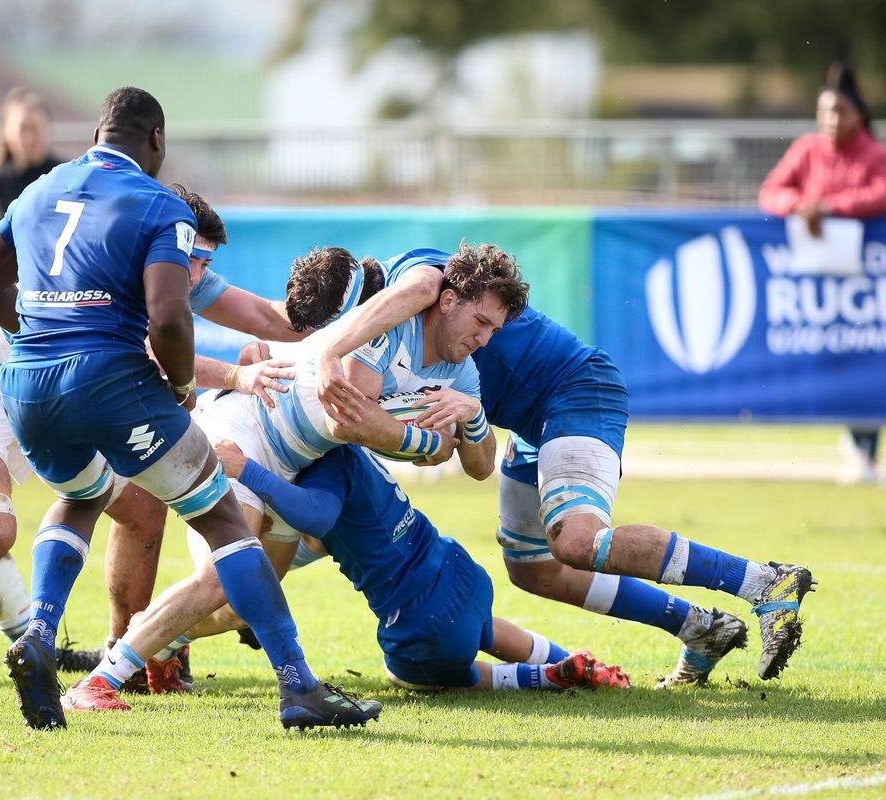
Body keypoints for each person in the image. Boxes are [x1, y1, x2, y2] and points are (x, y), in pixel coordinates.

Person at [0, 86, 381, 731]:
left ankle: (39, 637)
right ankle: (299, 688)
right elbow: (167, 315)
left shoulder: (38, 189)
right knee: (223, 523)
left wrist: (42, 333)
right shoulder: (159, 206)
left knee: (82, 496)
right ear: (156, 141)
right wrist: (184, 388)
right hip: (109, 379)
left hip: (27, 382)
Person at [313, 244, 816, 686]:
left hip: (577, 392)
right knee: (534, 571)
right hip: (530, 427)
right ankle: (700, 627)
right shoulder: (407, 347)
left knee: (577, 540)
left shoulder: (422, 278)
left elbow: (420, 284)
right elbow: (460, 452)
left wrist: (332, 355)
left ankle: (764, 582)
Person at [59, 243, 523, 711]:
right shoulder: (389, 326)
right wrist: (429, 445)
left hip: (296, 461)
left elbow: (480, 467)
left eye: (495, 330)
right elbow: (348, 419)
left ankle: (155, 638)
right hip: (246, 429)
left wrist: (474, 417)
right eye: (480, 323)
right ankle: (98, 682)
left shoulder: (462, 375)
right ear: (447, 302)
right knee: (222, 576)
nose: (484, 339)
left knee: (242, 603)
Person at [0, 185, 302, 675]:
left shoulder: (173, 263)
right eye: (194, 256)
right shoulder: (108, 259)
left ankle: (123, 652)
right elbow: (148, 351)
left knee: (144, 508)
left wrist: (363, 305)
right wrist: (237, 375)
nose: (198, 271)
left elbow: (270, 317)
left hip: (56, 395)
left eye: (205, 259)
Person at [213, 439, 631, 693]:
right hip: (458, 570)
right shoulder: (353, 451)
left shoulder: (322, 464)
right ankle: (573, 662)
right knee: (480, 625)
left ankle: (537, 679)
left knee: (406, 676)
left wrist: (248, 471)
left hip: (424, 621)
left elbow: (317, 518)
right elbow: (322, 537)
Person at [758, 62, 886, 485]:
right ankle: (854, 441)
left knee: (867, 355)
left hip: (867, 283)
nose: (832, 121)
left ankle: (866, 448)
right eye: (825, 111)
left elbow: (880, 192)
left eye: (841, 112)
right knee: (835, 356)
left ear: (859, 115)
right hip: (815, 284)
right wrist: (800, 206)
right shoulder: (806, 149)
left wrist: (829, 207)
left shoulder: (875, 153)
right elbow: (771, 191)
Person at [0, 88, 61, 243]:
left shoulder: (63, 176)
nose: (29, 138)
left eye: (35, 128)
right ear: (6, 131)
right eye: (23, 128)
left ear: (48, 129)